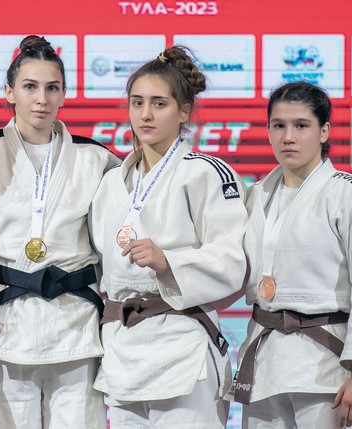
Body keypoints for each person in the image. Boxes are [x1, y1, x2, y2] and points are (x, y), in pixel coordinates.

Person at [0, 35, 120, 429]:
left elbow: (123, 229)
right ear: (9, 92)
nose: (41, 99)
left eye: (52, 88)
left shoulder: (96, 158)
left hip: (76, 322)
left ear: (64, 94)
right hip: (6, 320)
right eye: (29, 87)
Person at [89, 46, 249, 428]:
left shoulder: (207, 173)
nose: (145, 114)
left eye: (159, 103)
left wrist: (169, 262)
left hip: (181, 344)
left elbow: (233, 260)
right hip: (122, 347)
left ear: (184, 112)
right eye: (137, 102)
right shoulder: (111, 182)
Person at [228, 81, 352, 428]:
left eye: (301, 125)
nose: (288, 137)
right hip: (265, 361)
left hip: (325, 364)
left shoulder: (350, 194)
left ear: (324, 132)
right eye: (278, 126)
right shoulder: (256, 195)